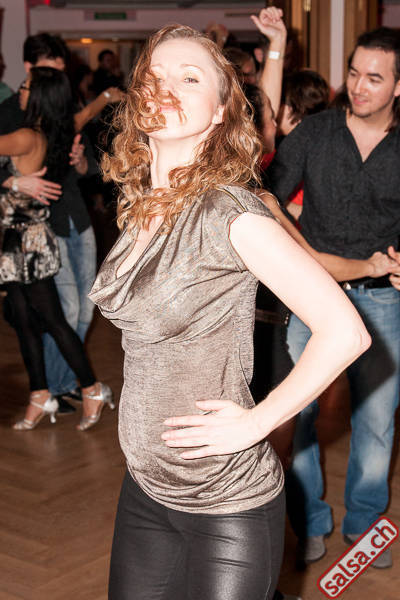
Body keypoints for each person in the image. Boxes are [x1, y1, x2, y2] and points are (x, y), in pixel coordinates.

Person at [88, 24, 370, 599]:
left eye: (189, 78)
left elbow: (345, 332)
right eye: (155, 75)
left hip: (225, 504)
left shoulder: (230, 213)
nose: (167, 87)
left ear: (220, 112)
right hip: (146, 488)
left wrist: (256, 423)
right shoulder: (141, 206)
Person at [269, 26, 400, 569]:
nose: (359, 86)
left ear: (398, 86)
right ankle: (310, 521)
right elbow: (269, 200)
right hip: (313, 296)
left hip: (383, 299)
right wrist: (300, 249)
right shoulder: (316, 132)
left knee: (376, 420)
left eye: (375, 78)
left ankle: (364, 525)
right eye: (353, 73)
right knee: (297, 413)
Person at [0, 66, 113, 431]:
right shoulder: (54, 129)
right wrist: (107, 97)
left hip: (27, 242)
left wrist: (12, 181)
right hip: (19, 239)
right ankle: (40, 393)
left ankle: (91, 389)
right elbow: (85, 113)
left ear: (39, 96)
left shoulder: (25, 136)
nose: (20, 90)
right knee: (25, 321)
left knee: (52, 319)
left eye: (26, 86)